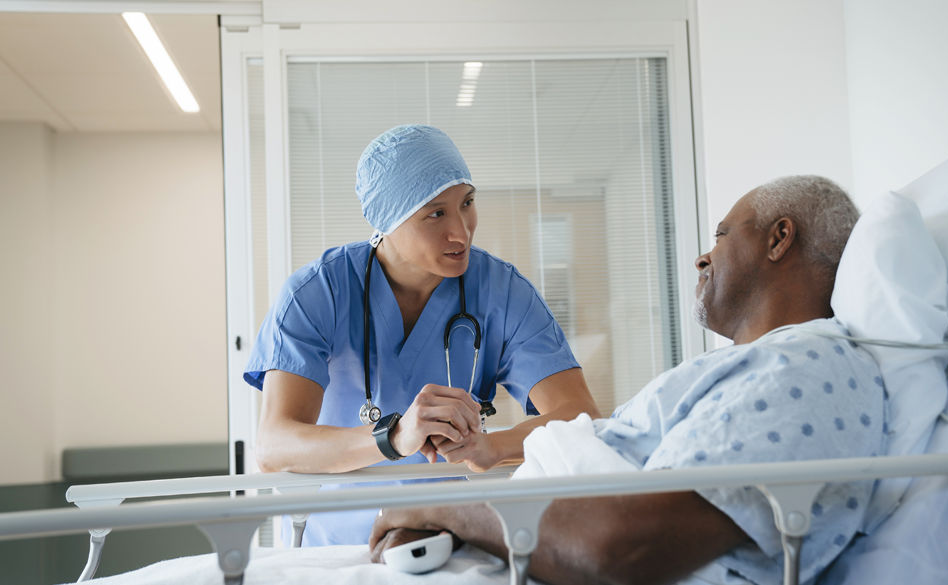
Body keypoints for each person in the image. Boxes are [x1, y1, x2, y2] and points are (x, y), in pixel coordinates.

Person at [370, 175, 887, 585]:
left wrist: (442, 505)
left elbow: (623, 548)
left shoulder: (804, 370)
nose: (703, 257)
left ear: (780, 238)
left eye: (723, 235)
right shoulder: (748, 367)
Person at [244, 124, 600, 545]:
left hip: (447, 541)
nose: (461, 232)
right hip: (333, 546)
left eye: (467, 203)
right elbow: (274, 446)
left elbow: (581, 419)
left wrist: (495, 447)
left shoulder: (501, 292)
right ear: (387, 220)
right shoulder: (319, 293)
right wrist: (394, 437)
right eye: (436, 213)